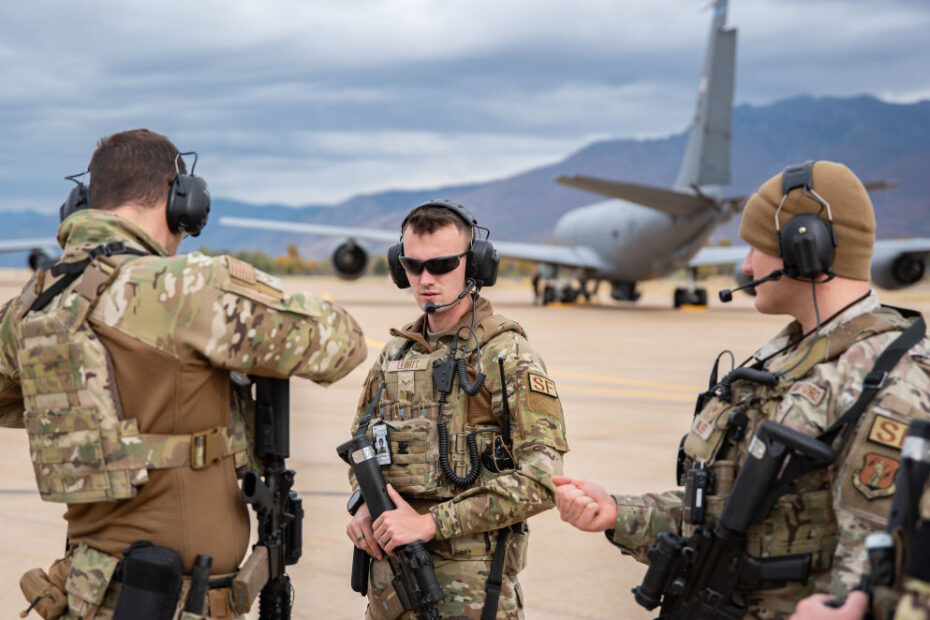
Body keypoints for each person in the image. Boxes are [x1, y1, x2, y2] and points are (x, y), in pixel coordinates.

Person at [0, 129, 366, 618]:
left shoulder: (32, 303)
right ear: (180, 203)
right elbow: (343, 343)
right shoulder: (185, 290)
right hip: (175, 602)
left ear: (84, 203)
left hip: (85, 594)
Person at [554, 160, 930, 618]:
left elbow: (880, 566)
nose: (746, 265)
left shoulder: (889, 383)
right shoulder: (791, 354)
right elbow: (728, 517)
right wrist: (617, 512)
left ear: (804, 248)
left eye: (756, 247)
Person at [345, 200, 568, 619]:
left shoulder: (506, 354)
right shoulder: (393, 355)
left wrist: (432, 524)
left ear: (476, 266)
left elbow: (543, 481)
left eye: (443, 265)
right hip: (388, 593)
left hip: (469, 596)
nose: (426, 279)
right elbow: (359, 449)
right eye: (413, 266)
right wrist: (360, 504)